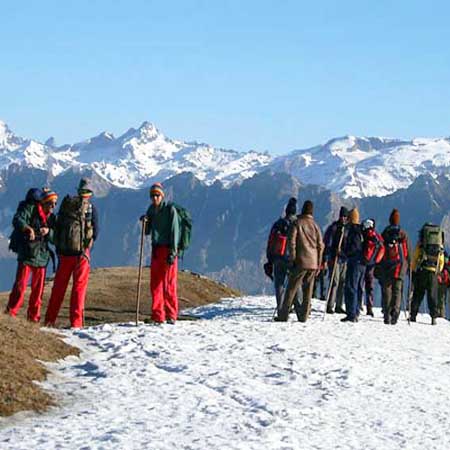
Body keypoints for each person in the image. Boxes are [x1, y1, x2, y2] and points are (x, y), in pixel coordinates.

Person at [44, 179, 99, 328]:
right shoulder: (91, 208)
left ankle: (49, 321)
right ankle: (76, 323)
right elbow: (96, 231)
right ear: (90, 193)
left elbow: (59, 225)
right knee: (78, 289)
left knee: (58, 289)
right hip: (81, 255)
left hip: (64, 253)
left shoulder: (66, 205)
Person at [6, 189, 58, 322]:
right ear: (44, 202)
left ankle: (33, 318)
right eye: (51, 203)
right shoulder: (30, 209)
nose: (53, 206)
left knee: (38, 290)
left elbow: (55, 239)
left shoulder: (52, 218)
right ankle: (11, 312)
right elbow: (17, 219)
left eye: (55, 203)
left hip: (42, 257)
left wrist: (49, 232)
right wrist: (27, 229)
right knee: (20, 286)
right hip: (27, 255)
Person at [277, 200, 324, 322]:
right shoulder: (315, 225)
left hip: (300, 261)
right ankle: (304, 316)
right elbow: (320, 245)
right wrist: (318, 263)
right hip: (313, 263)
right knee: (308, 290)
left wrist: (292, 258)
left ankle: (283, 315)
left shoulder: (297, 223)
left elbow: (291, 242)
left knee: (291, 289)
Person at [141, 182, 180, 324]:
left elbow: (175, 232)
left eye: (157, 195)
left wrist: (173, 252)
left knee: (169, 284)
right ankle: (158, 315)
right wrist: (145, 221)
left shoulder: (170, 210)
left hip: (168, 250)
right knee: (156, 283)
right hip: (156, 250)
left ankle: (171, 314)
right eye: (152, 196)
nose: (154, 198)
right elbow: (147, 232)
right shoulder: (151, 210)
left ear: (162, 196)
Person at [266, 197, 298, 318]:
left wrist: (270, 260)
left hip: (278, 258)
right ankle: (297, 308)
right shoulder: (298, 224)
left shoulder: (278, 224)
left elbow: (270, 242)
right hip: (293, 258)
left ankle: (281, 309)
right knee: (295, 283)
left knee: (279, 283)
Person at [379, 209, 410, 325]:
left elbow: (380, 248)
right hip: (400, 266)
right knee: (397, 291)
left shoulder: (385, 232)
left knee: (387, 290)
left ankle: (386, 314)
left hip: (387, 266)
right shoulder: (403, 233)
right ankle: (395, 313)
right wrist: (409, 264)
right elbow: (407, 252)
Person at [410, 223, 445, 325]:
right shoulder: (439, 244)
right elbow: (441, 260)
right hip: (433, 272)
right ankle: (433, 317)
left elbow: (415, 256)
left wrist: (413, 269)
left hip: (422, 270)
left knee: (418, 294)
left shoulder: (421, 243)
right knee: (432, 295)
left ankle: (413, 315)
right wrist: (438, 270)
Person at [323, 206, 349, 314]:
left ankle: (338, 305)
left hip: (344, 259)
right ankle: (330, 305)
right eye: (342, 216)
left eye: (345, 216)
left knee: (342, 283)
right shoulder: (334, 228)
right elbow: (327, 243)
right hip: (335, 259)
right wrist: (329, 255)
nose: (343, 218)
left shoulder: (347, 229)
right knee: (334, 282)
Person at [341, 208, 365, 323]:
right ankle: (355, 311)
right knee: (357, 287)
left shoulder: (354, 231)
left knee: (351, 287)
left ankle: (352, 313)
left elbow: (354, 248)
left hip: (354, 262)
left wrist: (344, 253)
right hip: (362, 264)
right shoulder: (361, 231)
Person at [361, 218, 384, 317]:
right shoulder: (376, 236)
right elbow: (382, 248)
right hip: (372, 264)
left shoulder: (363, 234)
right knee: (370, 286)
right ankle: (369, 308)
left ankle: (358, 305)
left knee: (360, 284)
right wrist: (376, 261)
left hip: (362, 263)